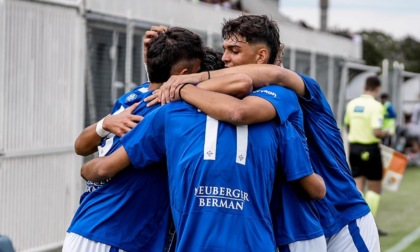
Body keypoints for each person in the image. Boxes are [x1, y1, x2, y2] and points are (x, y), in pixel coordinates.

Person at [156, 14, 380, 251]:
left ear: (261, 56)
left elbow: (272, 79)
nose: (225, 58)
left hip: (340, 218)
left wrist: (191, 82)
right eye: (225, 50)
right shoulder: (233, 97)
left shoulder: (286, 90)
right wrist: (165, 54)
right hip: (293, 230)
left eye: (234, 50)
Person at [80, 73, 326, 251]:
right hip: (267, 240)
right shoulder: (278, 120)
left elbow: (100, 166)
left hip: (137, 234)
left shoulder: (169, 111)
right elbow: (316, 188)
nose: (227, 60)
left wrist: (183, 89)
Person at [63, 27, 208, 252]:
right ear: (183, 75)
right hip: (115, 233)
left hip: (89, 224)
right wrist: (105, 124)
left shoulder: (136, 96)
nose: (198, 80)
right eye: (197, 73)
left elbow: (81, 146)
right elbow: (84, 149)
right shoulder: (169, 110)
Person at [344, 76, 391, 237]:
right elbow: (376, 132)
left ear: (365, 86)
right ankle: (370, 224)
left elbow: (348, 125)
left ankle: (357, 222)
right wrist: (387, 132)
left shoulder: (352, 104)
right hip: (370, 149)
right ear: (377, 88)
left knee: (358, 186)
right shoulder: (377, 106)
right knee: (375, 188)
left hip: (354, 148)